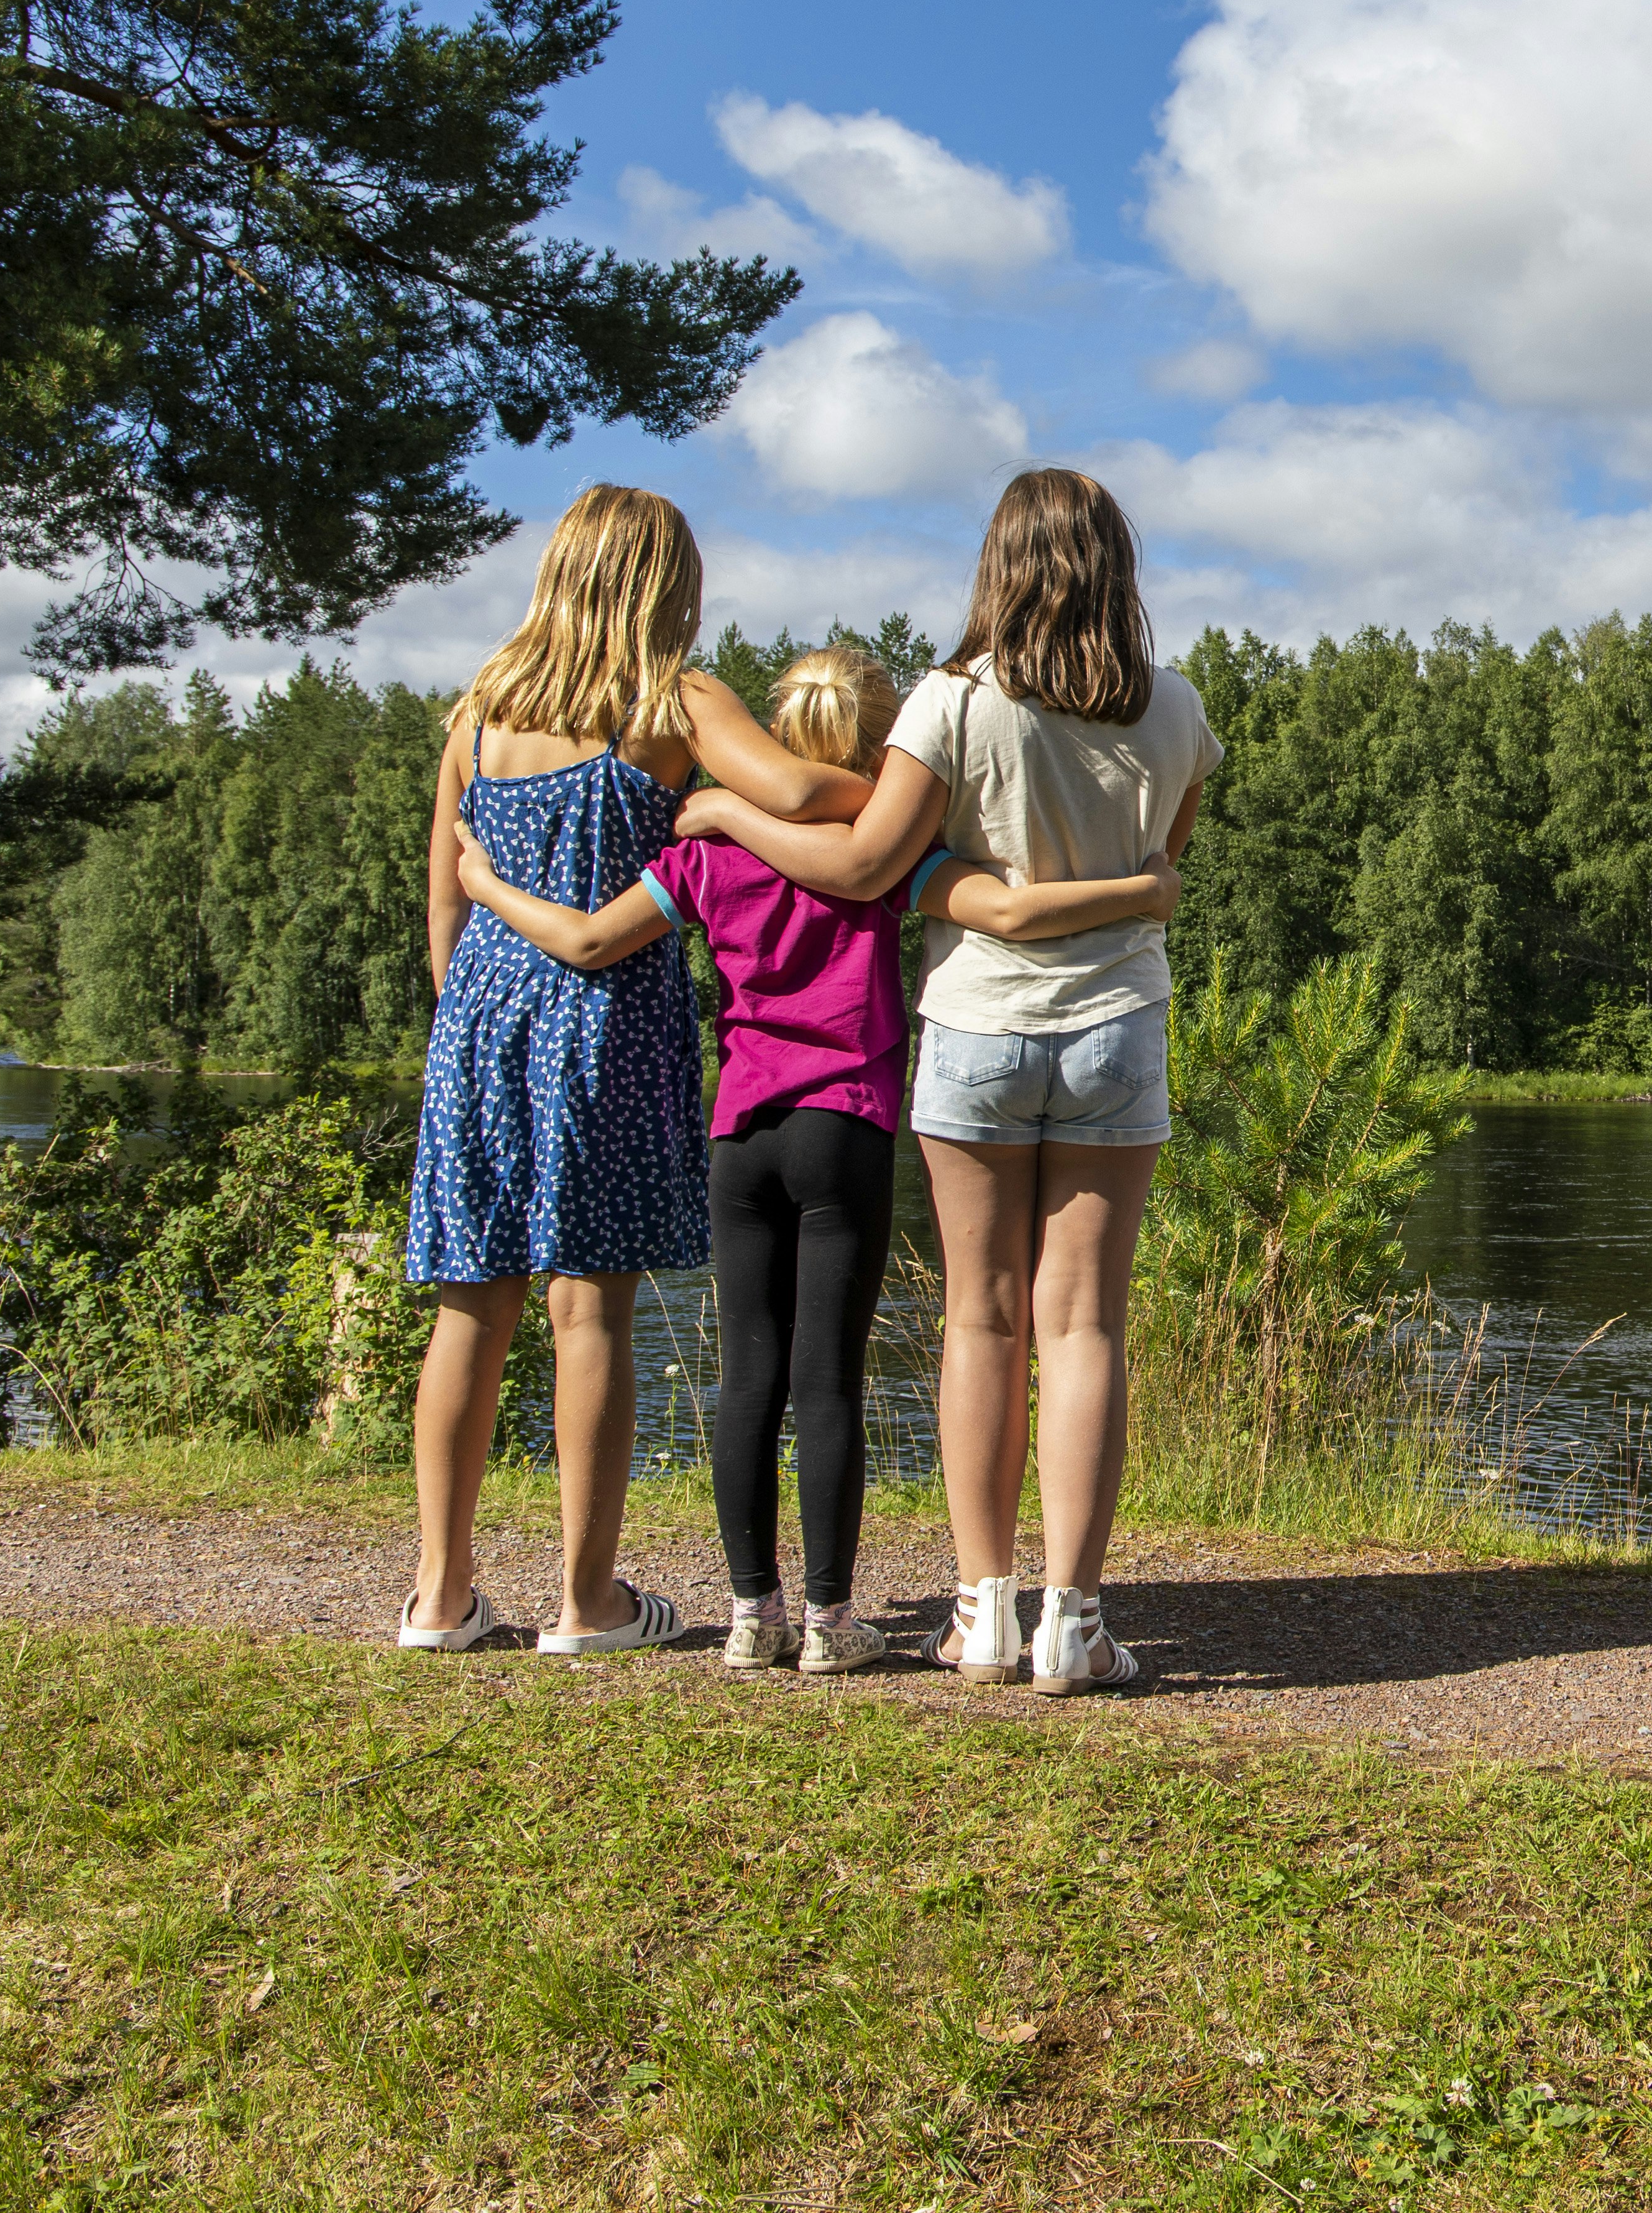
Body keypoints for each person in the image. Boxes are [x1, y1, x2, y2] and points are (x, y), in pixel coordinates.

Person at [451, 644, 1182, 1675]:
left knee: (745, 1371)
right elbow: (1003, 914)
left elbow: (585, 943)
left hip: (741, 1134)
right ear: (882, 744)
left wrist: (484, 885)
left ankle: (756, 1614)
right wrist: (1142, 890)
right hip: (845, 1129)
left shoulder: (703, 856)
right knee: (830, 1376)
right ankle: (833, 1622)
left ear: (775, 736)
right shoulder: (886, 855)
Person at [676, 468, 1217, 1696]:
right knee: (1083, 1322)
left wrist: (725, 811)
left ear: (1001, 568)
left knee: (980, 1314)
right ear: (1116, 574)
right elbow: (1160, 862)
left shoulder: (951, 702)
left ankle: (982, 1611)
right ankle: (1075, 1619)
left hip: (977, 1025)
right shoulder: (1178, 708)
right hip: (1118, 1024)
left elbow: (868, 861)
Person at [395, 485, 880, 1659]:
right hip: (602, 1016)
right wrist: (723, 803)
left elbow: (445, 898)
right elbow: (814, 795)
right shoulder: (670, 700)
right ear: (667, 585)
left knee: (472, 1301)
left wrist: (470, 1014)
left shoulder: (476, 716)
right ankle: (586, 1602)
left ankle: (439, 1597)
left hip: (478, 1020)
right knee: (587, 1307)